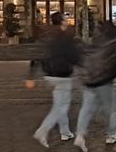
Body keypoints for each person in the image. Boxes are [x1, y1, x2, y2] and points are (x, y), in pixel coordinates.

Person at [31, 12, 82, 148]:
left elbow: (37, 55)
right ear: (62, 22)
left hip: (49, 74)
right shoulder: (65, 36)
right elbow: (73, 55)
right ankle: (42, 131)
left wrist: (31, 75)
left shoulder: (46, 36)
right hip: (62, 74)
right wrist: (82, 65)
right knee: (61, 106)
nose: (67, 22)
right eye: (65, 20)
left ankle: (65, 132)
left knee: (59, 103)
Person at [72, 28, 116, 151]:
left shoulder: (91, 45)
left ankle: (80, 135)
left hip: (89, 82)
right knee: (110, 109)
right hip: (104, 83)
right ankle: (111, 135)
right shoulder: (112, 47)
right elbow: (114, 68)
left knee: (86, 109)